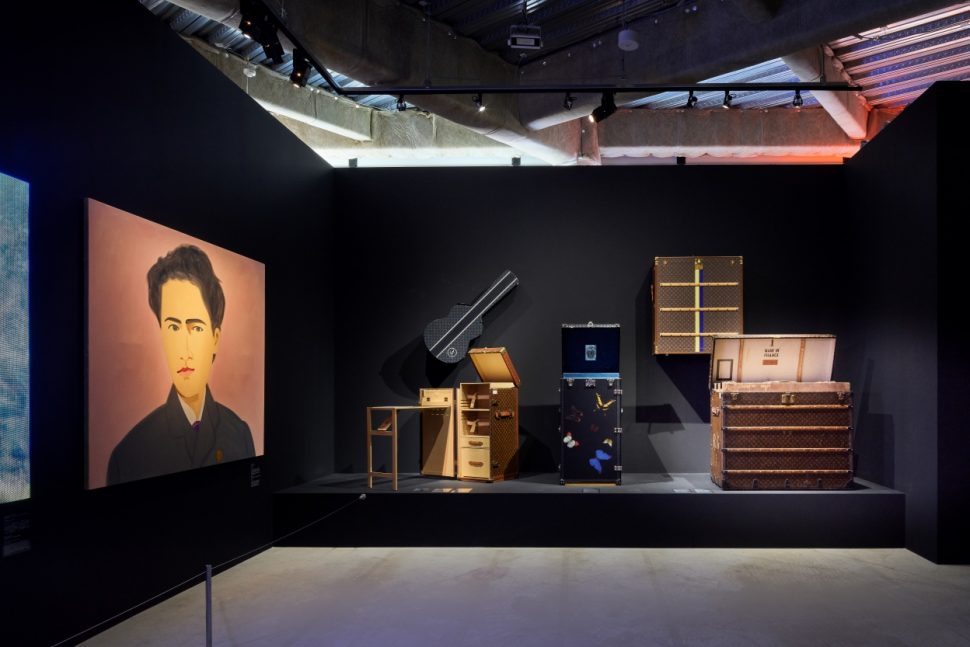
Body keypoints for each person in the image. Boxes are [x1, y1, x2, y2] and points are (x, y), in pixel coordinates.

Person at [107, 245, 254, 485]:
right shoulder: (128, 456)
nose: (184, 351)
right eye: (173, 328)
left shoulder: (239, 433)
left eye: (195, 328)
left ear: (215, 339)